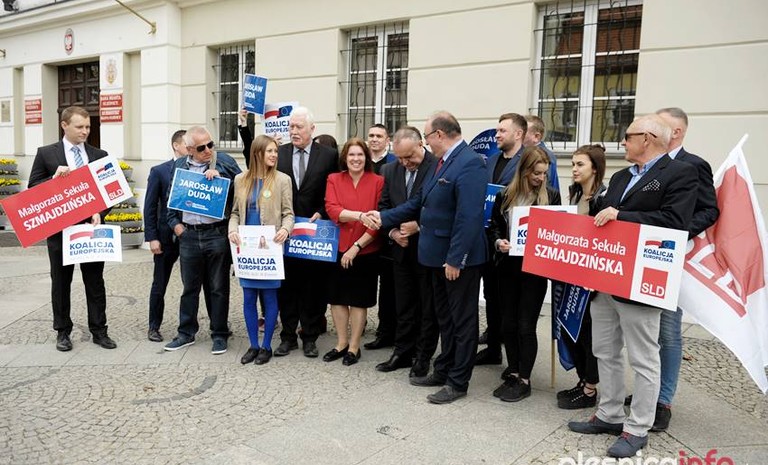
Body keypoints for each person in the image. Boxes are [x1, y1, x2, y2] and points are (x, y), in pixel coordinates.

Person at [568, 114, 698, 458]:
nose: (622, 142)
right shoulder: (622, 176)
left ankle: (638, 427)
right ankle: (609, 414)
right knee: (605, 351)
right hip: (606, 277)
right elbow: (602, 214)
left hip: (642, 280)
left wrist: (621, 216)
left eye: (627, 136)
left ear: (648, 139)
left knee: (643, 358)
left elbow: (675, 222)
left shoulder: (679, 173)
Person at [365, 111, 488, 404]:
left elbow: (469, 217)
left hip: (457, 261)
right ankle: (443, 369)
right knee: (445, 319)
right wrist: (383, 218)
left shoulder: (470, 162)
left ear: (439, 135)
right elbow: (419, 202)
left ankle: (458, 381)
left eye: (428, 136)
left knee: (462, 322)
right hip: (435, 258)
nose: (427, 143)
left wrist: (456, 259)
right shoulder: (443, 162)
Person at [624, 107, 718, 430]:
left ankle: (663, 400)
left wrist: (675, 235)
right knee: (645, 332)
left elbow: (709, 210)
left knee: (667, 330)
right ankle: (647, 393)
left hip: (669, 256)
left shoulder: (693, 165)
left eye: (661, 125)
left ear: (676, 132)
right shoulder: (641, 168)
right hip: (640, 257)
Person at [28, 105, 116, 352]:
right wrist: (53, 179)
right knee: (60, 283)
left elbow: (110, 190)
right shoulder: (46, 154)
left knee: (95, 282)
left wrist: (100, 212)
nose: (85, 131)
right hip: (60, 231)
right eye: (80, 127)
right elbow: (32, 189)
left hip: (91, 229)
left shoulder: (99, 154)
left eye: (88, 126)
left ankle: (99, 331)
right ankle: (62, 332)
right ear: (64, 125)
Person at [487, 146, 561, 402]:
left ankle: (525, 379)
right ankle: (514, 369)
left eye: (544, 173)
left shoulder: (551, 196)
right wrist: (499, 242)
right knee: (508, 323)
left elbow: (558, 231)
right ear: (525, 171)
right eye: (537, 173)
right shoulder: (506, 195)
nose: (541, 178)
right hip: (508, 267)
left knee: (526, 325)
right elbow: (494, 227)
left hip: (534, 271)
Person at [164, 126, 241, 355]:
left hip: (215, 233)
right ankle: (186, 333)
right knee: (189, 288)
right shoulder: (179, 165)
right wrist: (176, 226)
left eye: (210, 144)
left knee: (218, 288)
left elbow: (243, 188)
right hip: (188, 234)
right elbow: (171, 196)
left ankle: (219, 334)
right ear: (189, 150)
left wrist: (223, 180)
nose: (208, 150)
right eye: (201, 148)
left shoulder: (224, 161)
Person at [275, 107, 339, 358]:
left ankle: (310, 336)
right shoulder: (279, 153)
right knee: (286, 287)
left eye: (298, 127)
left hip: (314, 231)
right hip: (285, 231)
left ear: (312, 129)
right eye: (290, 126)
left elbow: (334, 189)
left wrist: (323, 211)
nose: (293, 131)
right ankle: (288, 336)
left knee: (313, 287)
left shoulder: (329, 155)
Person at [376, 126, 439, 376]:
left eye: (409, 156)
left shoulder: (437, 166)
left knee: (427, 307)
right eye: (400, 157)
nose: (405, 163)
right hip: (400, 250)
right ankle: (402, 352)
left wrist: (419, 225)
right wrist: (392, 233)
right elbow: (383, 206)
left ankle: (423, 356)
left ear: (421, 145)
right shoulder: (389, 170)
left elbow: (441, 208)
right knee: (404, 304)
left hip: (427, 249)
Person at [229, 135, 294, 365]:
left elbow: (288, 213)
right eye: (270, 151)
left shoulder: (282, 180)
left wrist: (285, 230)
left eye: (276, 151)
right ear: (257, 153)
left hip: (270, 248)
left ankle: (266, 346)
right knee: (248, 296)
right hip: (247, 249)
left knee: (269, 296)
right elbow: (235, 213)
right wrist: (232, 230)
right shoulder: (240, 179)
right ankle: (253, 345)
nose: (274, 155)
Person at [322, 138, 384, 366]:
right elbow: (332, 209)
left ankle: (354, 347)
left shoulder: (378, 181)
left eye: (360, 155)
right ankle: (341, 343)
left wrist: (357, 247)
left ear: (366, 158)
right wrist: (359, 215)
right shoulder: (334, 179)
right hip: (337, 247)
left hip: (366, 250)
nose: (356, 159)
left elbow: (378, 220)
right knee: (337, 299)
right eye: (351, 155)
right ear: (344, 158)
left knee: (359, 300)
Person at [555, 144, 607, 409]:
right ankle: (582, 379)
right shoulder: (576, 194)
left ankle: (590, 389)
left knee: (589, 335)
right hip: (572, 276)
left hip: (592, 282)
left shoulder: (604, 199)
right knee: (572, 330)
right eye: (573, 164)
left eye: (580, 164)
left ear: (595, 168)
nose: (574, 169)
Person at [476, 113, 528, 366]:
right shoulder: (492, 160)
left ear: (518, 134)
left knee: (512, 304)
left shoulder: (529, 160)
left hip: (514, 244)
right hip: (489, 237)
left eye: (502, 131)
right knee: (491, 296)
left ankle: (517, 363)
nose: (496, 135)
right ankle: (493, 348)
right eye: (497, 130)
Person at [144, 130, 188, 342]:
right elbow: (150, 206)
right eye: (187, 144)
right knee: (159, 284)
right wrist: (152, 237)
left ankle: (190, 326)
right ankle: (154, 326)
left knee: (192, 285)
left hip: (189, 237)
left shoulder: (199, 169)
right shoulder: (159, 171)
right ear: (176, 146)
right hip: (164, 238)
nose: (191, 147)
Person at [365, 123, 397, 351]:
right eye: (371, 135)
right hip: (364, 230)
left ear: (388, 140)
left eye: (379, 136)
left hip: (387, 232)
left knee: (389, 287)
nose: (374, 139)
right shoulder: (361, 161)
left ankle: (389, 331)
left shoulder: (394, 162)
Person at [524, 114, 560, 191]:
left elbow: (546, 185)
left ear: (536, 137)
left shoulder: (545, 155)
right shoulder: (523, 151)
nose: (519, 135)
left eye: (524, 132)